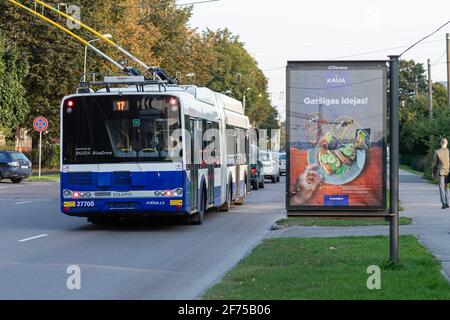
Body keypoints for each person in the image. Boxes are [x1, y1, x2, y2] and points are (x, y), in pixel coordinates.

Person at [432, 138, 450, 209]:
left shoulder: (437, 152)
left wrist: (433, 173)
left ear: (440, 143)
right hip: (448, 172)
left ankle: (444, 203)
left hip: (441, 172)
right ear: (447, 143)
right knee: (446, 187)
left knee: (441, 187)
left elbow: (434, 164)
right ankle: (447, 203)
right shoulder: (449, 151)